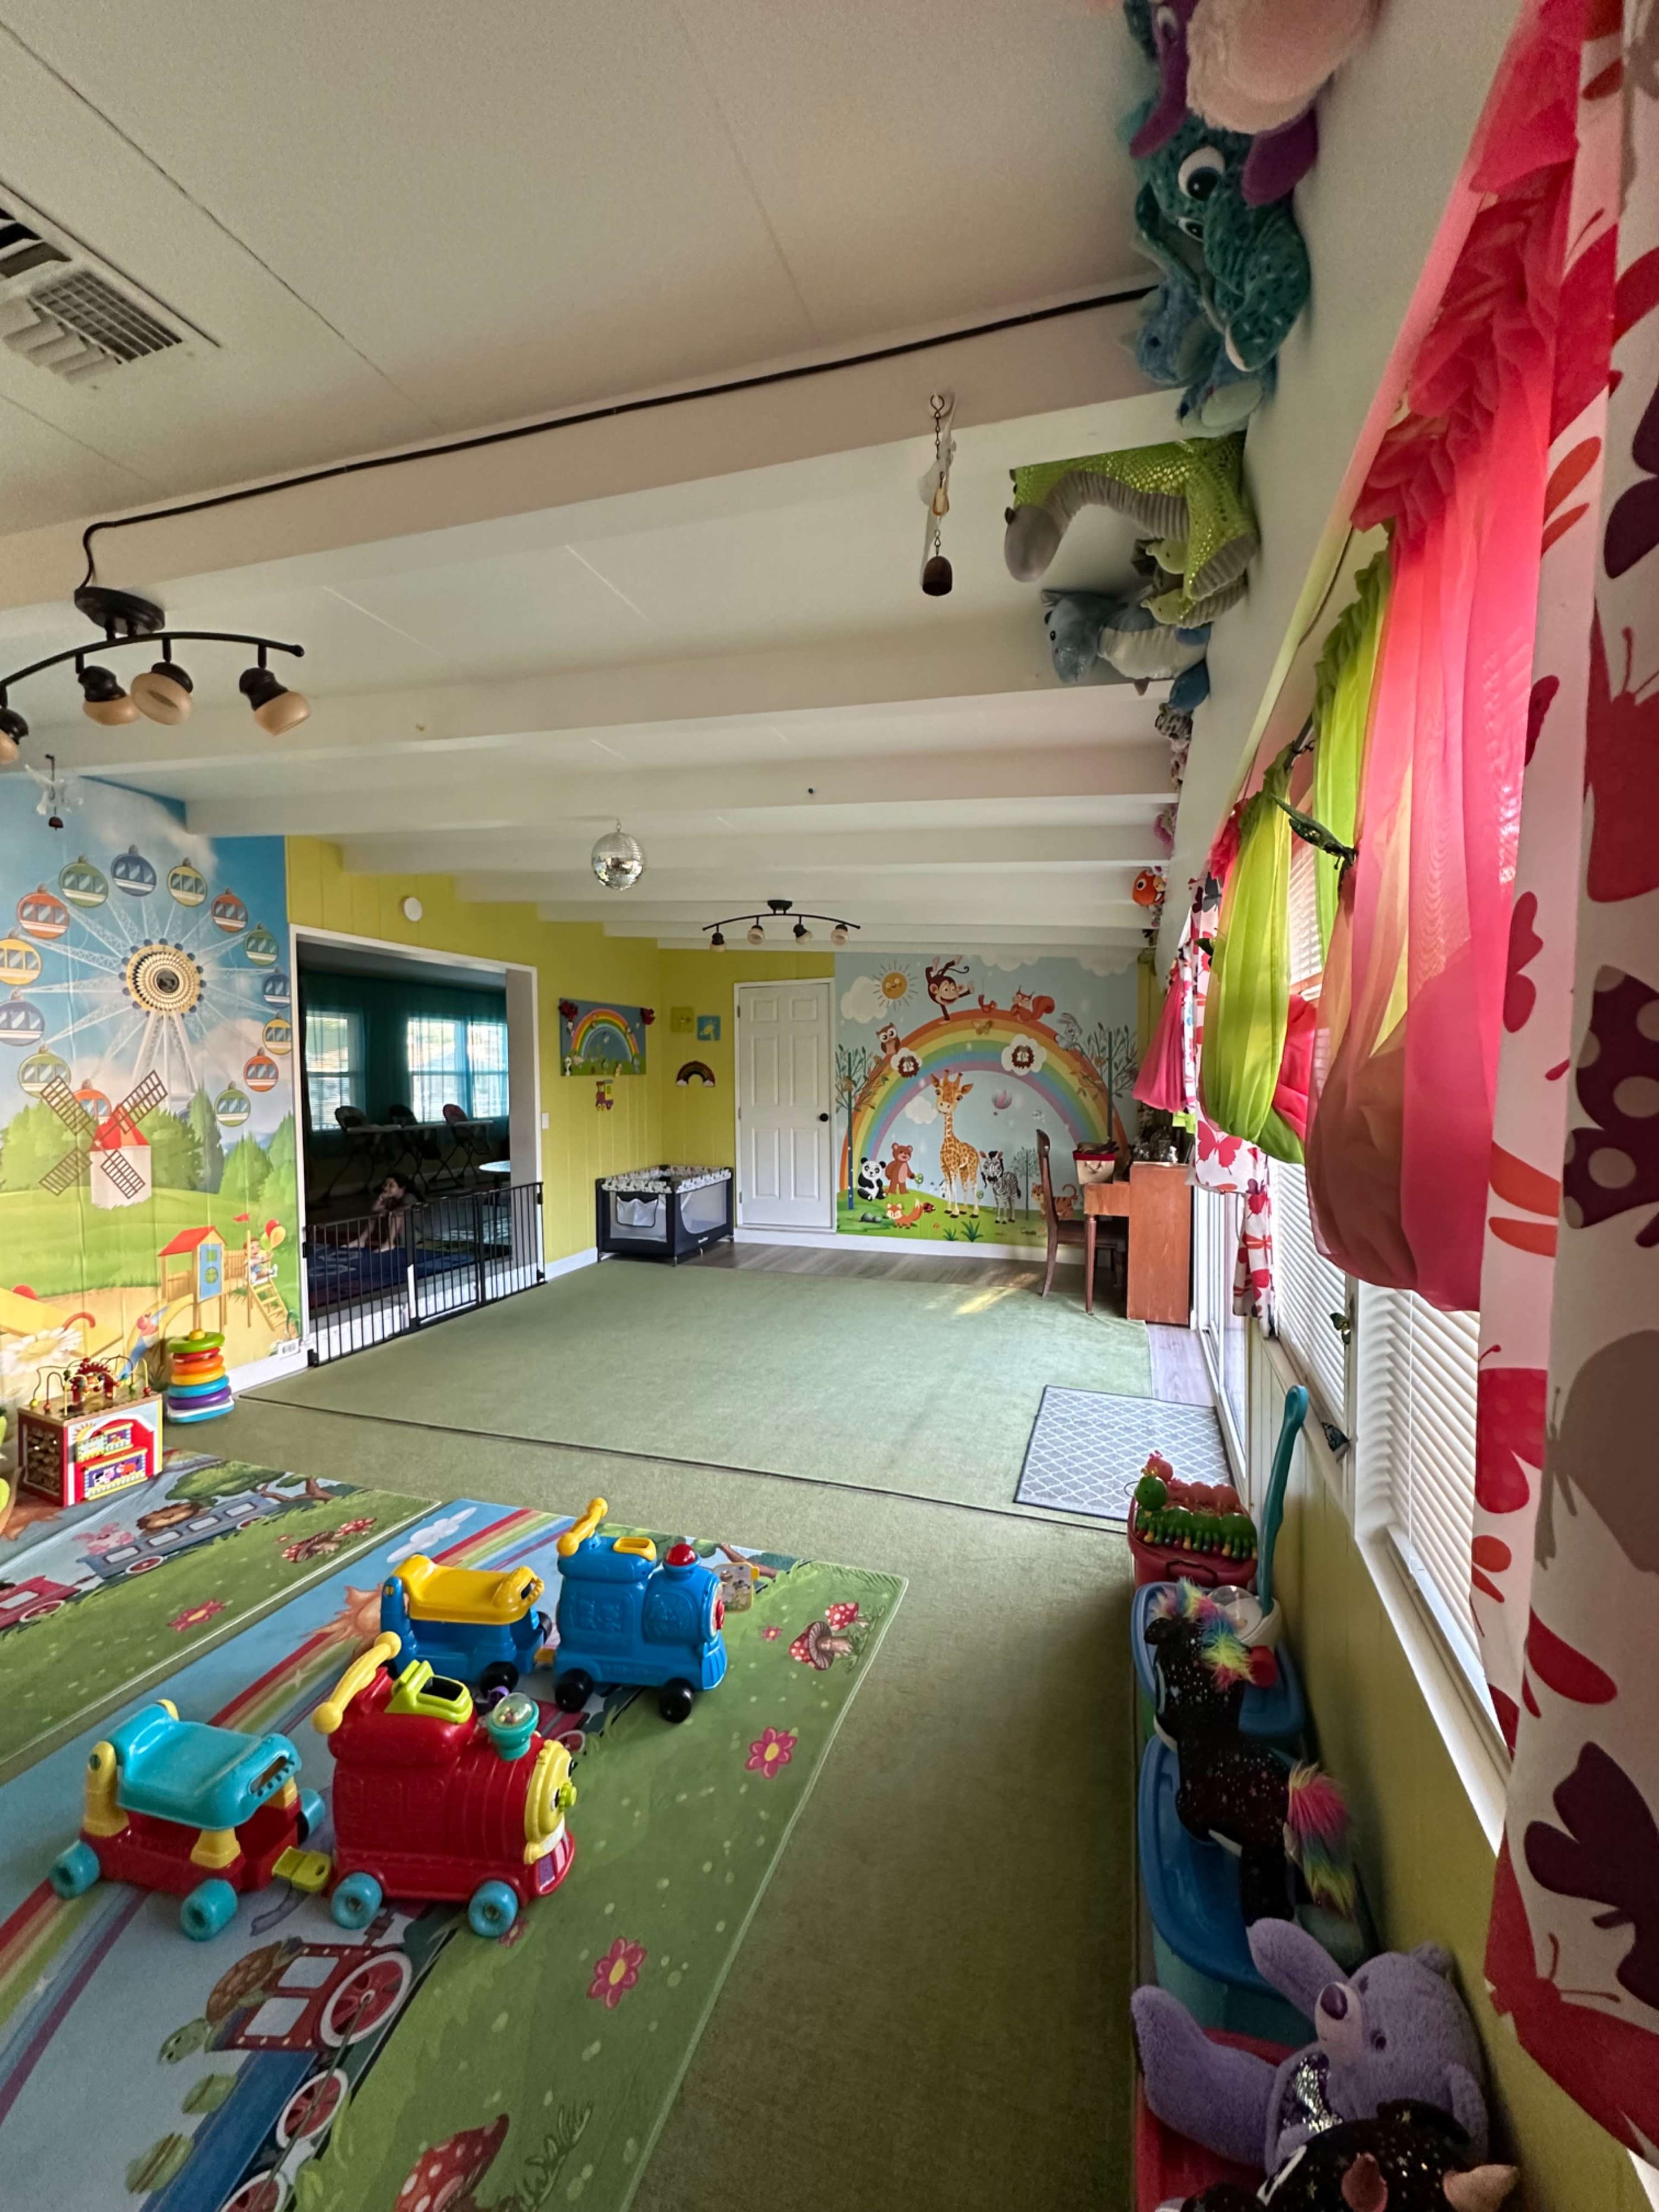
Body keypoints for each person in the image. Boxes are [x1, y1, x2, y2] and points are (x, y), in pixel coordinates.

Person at [353, 1172, 416, 1249]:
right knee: (377, 1214)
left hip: (410, 1234)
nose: (386, 1189)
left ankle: (389, 1243)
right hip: (394, 1232)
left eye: (391, 1186)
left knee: (397, 1215)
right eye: (385, 1185)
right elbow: (374, 1210)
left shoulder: (409, 1197)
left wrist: (387, 1212)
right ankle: (361, 1240)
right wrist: (380, 1199)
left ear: (402, 1188)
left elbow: (406, 1208)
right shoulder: (390, 1199)